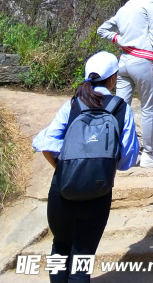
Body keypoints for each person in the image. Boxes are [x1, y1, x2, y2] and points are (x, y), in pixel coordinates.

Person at [32, 52, 140, 283]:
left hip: (62, 190)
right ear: (113, 78)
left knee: (59, 246)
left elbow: (43, 143)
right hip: (98, 193)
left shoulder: (72, 104)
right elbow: (128, 159)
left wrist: (63, 169)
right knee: (82, 256)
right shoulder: (121, 109)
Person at [97, 0, 153, 168]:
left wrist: (120, 40)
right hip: (142, 61)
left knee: (120, 108)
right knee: (148, 109)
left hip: (123, 63)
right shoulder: (150, 4)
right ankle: (149, 155)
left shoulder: (124, 8)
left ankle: (113, 153)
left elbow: (102, 29)